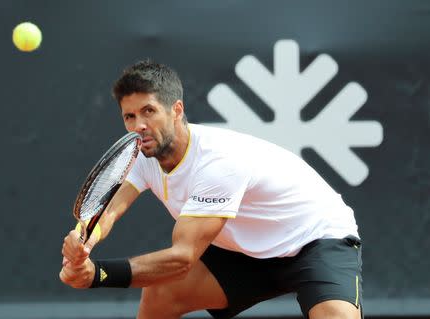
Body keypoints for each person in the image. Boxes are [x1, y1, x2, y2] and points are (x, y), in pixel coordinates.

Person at [60, 60, 363, 319]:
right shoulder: (140, 154)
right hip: (244, 251)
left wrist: (97, 274)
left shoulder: (218, 162)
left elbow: (182, 258)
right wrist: (84, 240)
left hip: (315, 240)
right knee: (160, 295)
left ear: (176, 110)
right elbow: (109, 209)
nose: (139, 125)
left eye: (148, 111)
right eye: (130, 116)